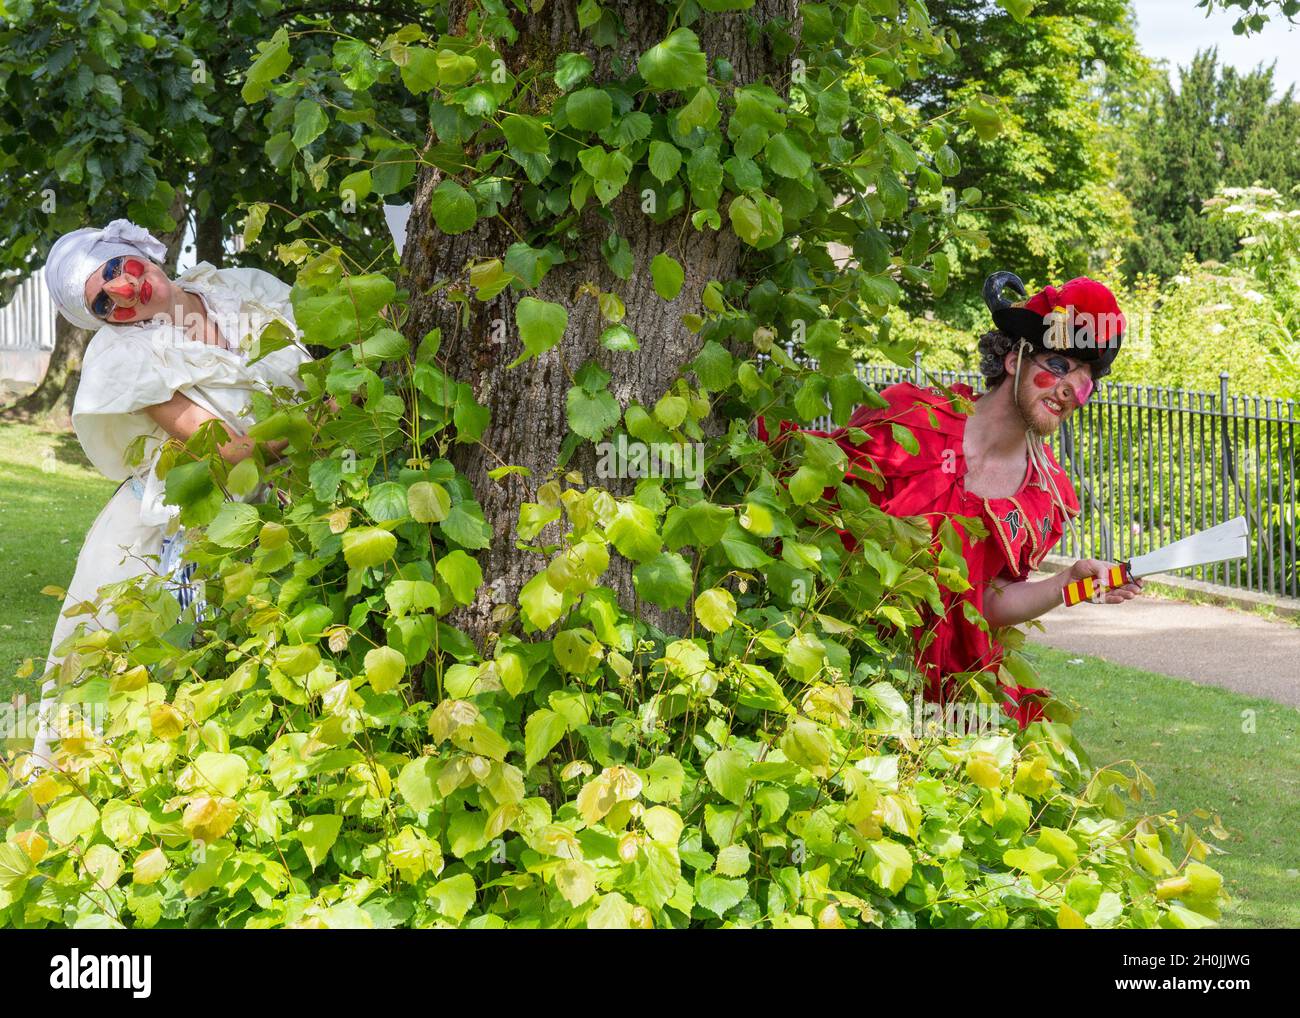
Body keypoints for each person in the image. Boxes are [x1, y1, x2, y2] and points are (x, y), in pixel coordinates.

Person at [761, 272, 1142, 727]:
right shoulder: (908, 416)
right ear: (1013, 359)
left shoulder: (1046, 496)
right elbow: (815, 490)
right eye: (1059, 366)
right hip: (833, 656)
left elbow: (990, 600)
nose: (1069, 390)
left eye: (1085, 382)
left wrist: (1070, 583)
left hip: (946, 702)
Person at [28, 218, 312, 771]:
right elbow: (232, 452)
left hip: (279, 511)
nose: (121, 292)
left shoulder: (243, 289)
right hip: (169, 529)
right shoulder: (125, 355)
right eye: (103, 304)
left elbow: (322, 357)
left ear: (131, 250)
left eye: (114, 269)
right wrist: (326, 421)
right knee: (136, 680)